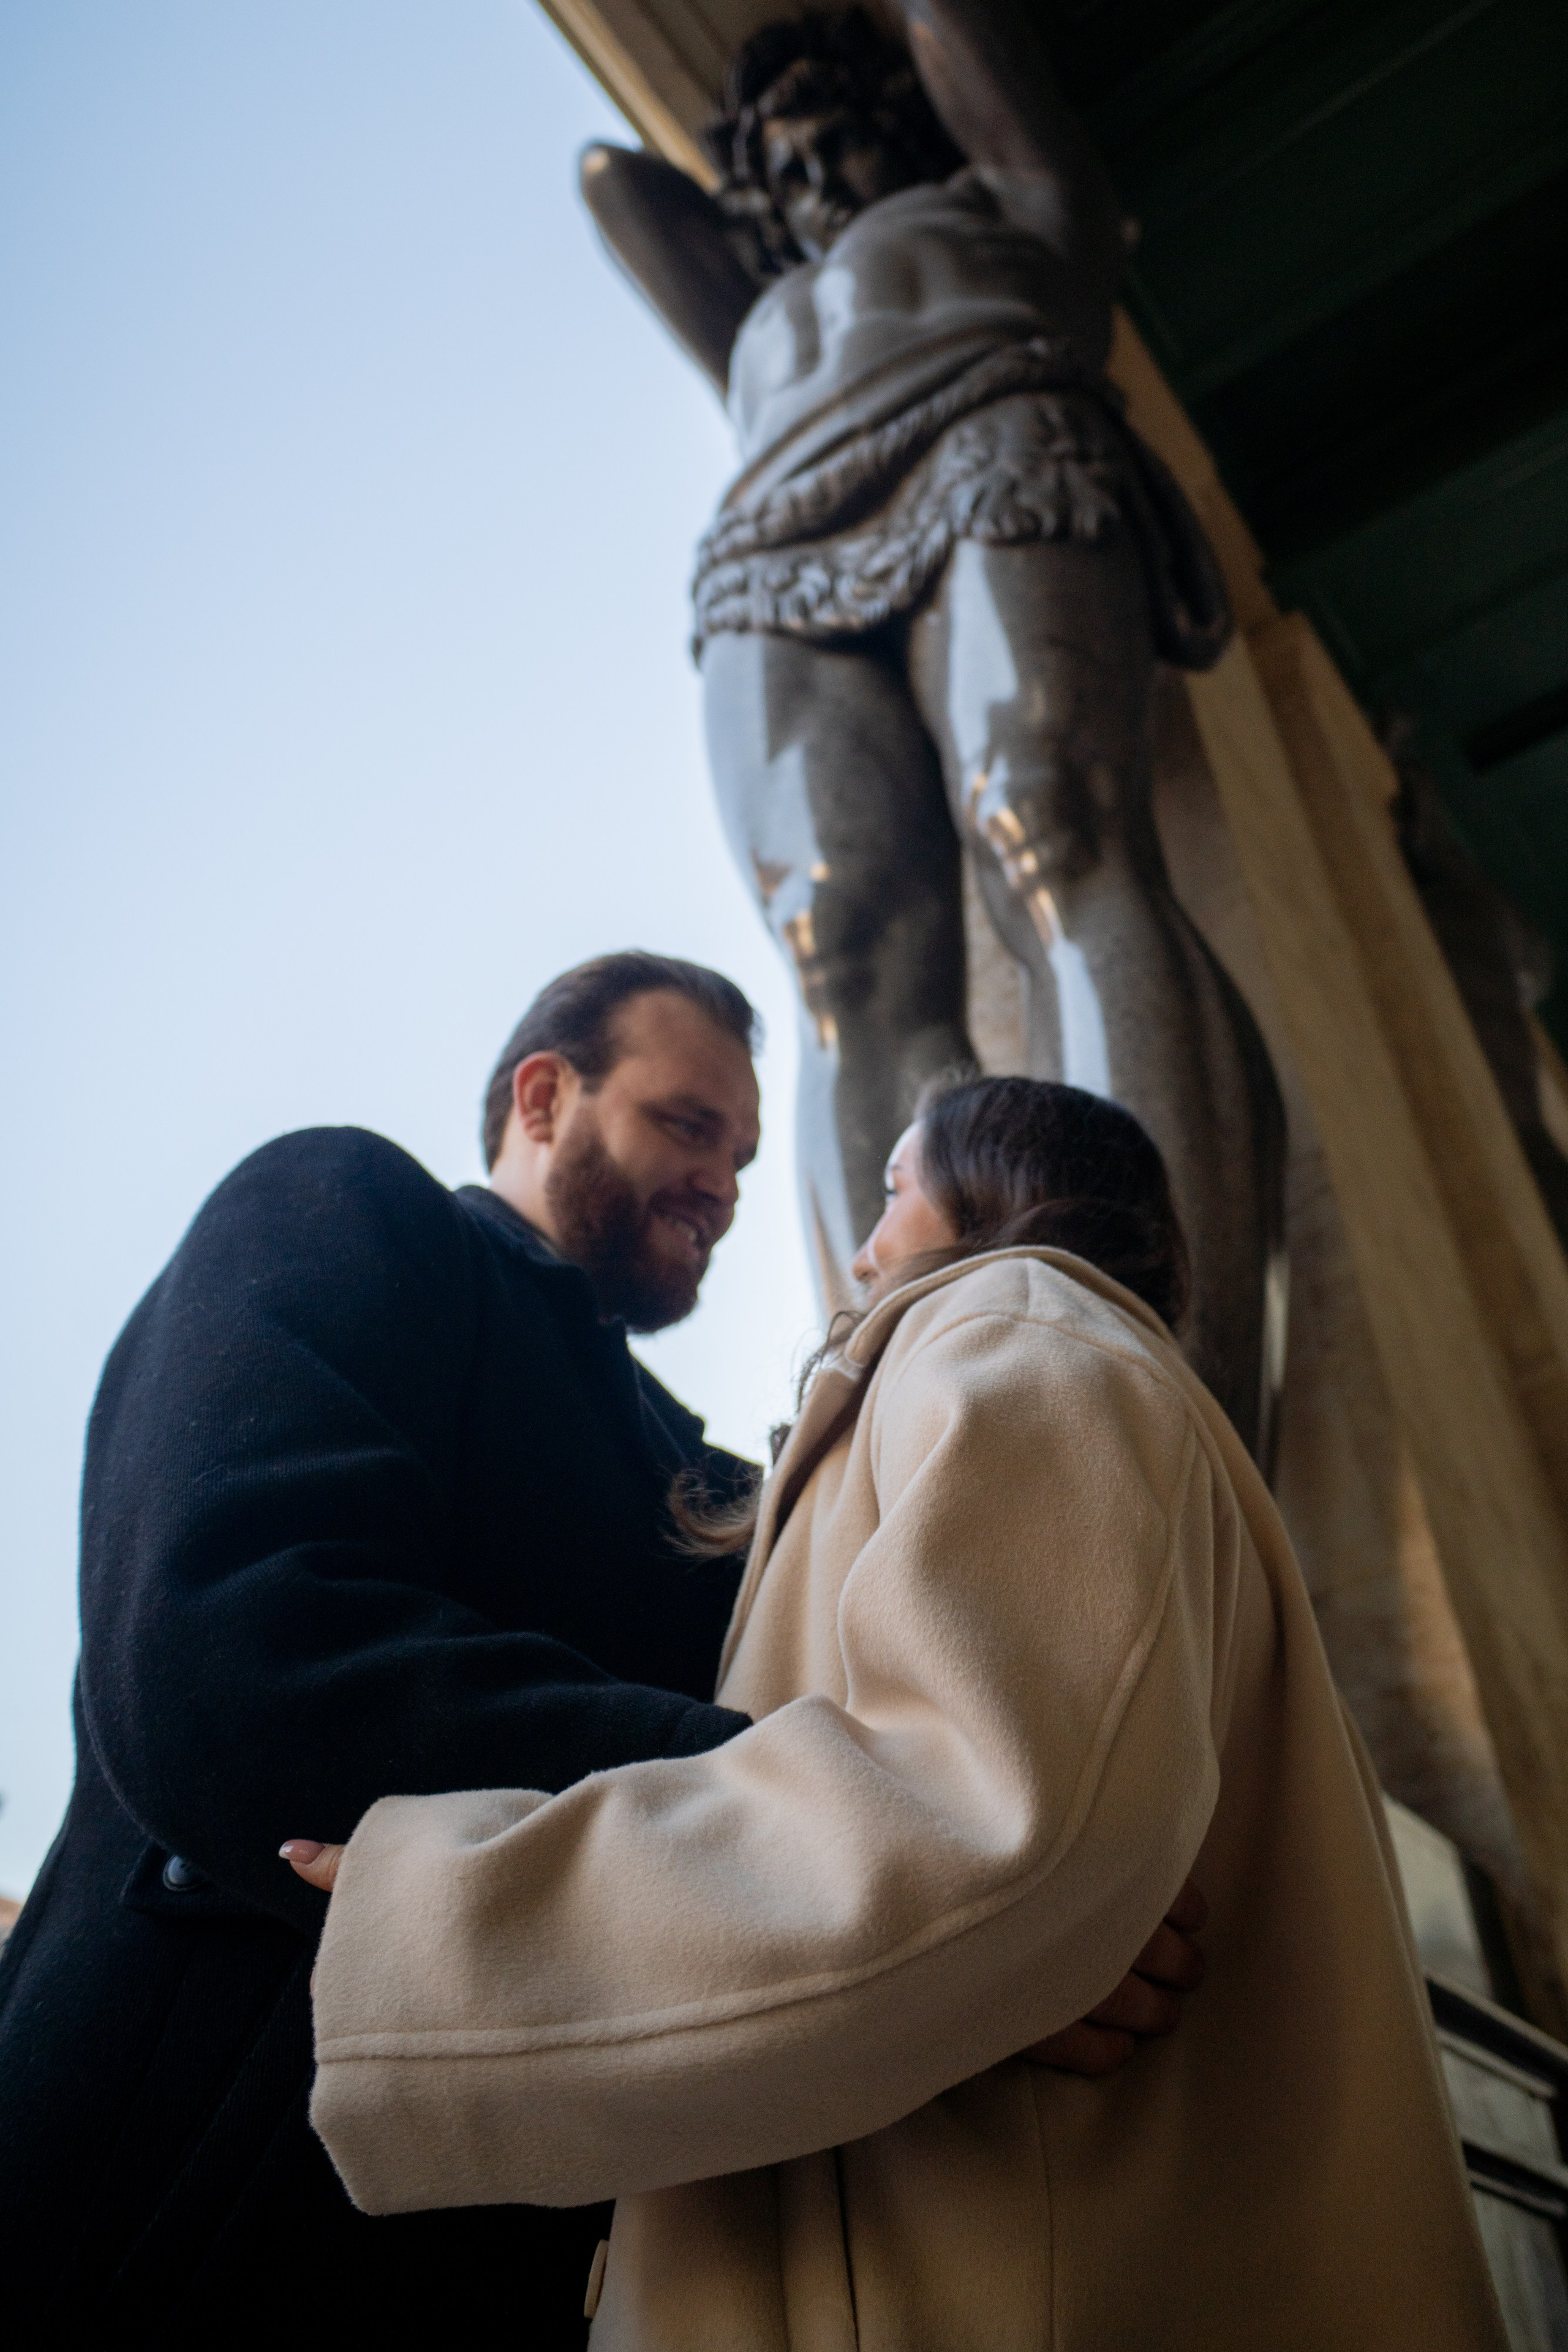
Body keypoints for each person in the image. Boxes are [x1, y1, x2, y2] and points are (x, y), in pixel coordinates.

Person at [0, 964, 1193, 2342]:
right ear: (542, 1097)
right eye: (687, 1125)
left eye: (744, 1159)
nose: (725, 1186)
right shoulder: (345, 1203)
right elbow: (238, 1656)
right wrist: (902, 1861)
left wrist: (966, 1939)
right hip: (149, 2202)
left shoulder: (716, 1480)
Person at [293, 1076, 1503, 2350]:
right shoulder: (1050, 1365)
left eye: (891, 1188)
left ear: (990, 1189)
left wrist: (449, 1912)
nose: (864, 1247)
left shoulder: (1015, 1329)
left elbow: (980, 1819)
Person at [581, 1, 1285, 1455]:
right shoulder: (760, 316)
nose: (809, 161)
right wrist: (774, 137)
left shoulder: (1012, 199)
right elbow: (618, 189)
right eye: (780, 154)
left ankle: (1159, 1360)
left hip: (988, 417)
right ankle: (893, 1416)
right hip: (775, 540)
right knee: (836, 947)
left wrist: (851, 96)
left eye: (834, 128)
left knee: (1049, 822)